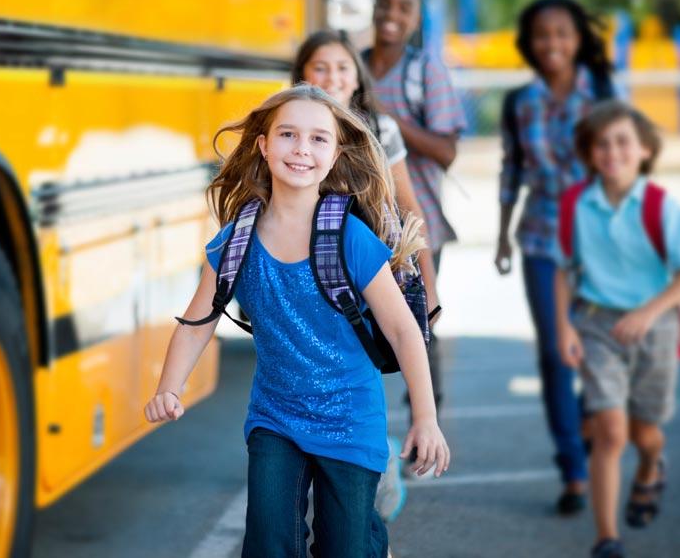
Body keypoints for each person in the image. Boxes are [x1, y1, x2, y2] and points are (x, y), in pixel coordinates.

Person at [144, 84, 450, 557]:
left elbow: (403, 330)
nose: (301, 149)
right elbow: (198, 320)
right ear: (264, 145)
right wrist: (170, 385)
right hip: (276, 418)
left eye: (318, 139)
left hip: (350, 421)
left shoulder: (348, 236)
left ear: (334, 155)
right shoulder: (235, 242)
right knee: (267, 544)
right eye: (288, 134)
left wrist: (426, 418)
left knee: (345, 548)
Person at [292, 30, 441, 518]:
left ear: (358, 77)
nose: (331, 76)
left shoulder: (378, 129)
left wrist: (429, 289)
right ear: (301, 75)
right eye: (320, 67)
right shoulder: (284, 126)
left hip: (363, 277)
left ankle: (373, 476)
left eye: (342, 67)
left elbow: (407, 209)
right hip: (302, 279)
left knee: (357, 383)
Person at [496, 0, 622, 514]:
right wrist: (502, 234)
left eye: (563, 34)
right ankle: (573, 466)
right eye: (543, 35)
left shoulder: (603, 94)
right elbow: (512, 169)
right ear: (530, 42)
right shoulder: (518, 101)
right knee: (553, 353)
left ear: (578, 39)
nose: (553, 44)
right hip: (543, 239)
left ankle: (590, 425)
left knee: (595, 348)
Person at [555, 102, 680, 558]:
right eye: (601, 144)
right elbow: (564, 270)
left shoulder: (660, 206)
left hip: (655, 323)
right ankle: (607, 539)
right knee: (610, 431)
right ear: (589, 153)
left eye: (623, 141)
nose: (612, 152)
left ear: (644, 149)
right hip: (597, 325)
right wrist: (564, 329)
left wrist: (650, 313)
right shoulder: (575, 204)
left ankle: (651, 468)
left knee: (646, 432)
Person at [363, 0, 465, 420]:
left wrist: (386, 120)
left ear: (416, 17)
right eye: (385, 4)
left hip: (413, 224)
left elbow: (446, 152)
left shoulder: (426, 71)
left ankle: (428, 414)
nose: (391, 14)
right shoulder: (354, 65)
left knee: (418, 318)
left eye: (404, 7)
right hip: (358, 223)